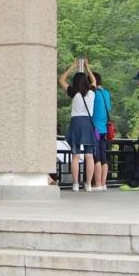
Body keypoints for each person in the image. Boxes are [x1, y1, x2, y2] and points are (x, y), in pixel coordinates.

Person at [59, 59, 96, 192]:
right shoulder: (92, 92)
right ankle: (89, 184)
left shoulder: (74, 93)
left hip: (76, 123)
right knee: (89, 155)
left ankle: (75, 184)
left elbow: (61, 80)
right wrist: (87, 67)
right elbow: (94, 81)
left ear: (75, 82)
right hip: (88, 123)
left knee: (75, 155)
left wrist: (72, 66)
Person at [89, 71, 112, 190]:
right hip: (105, 129)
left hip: (95, 129)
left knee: (96, 156)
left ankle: (97, 183)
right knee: (104, 156)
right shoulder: (106, 93)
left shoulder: (93, 94)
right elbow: (109, 108)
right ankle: (103, 184)